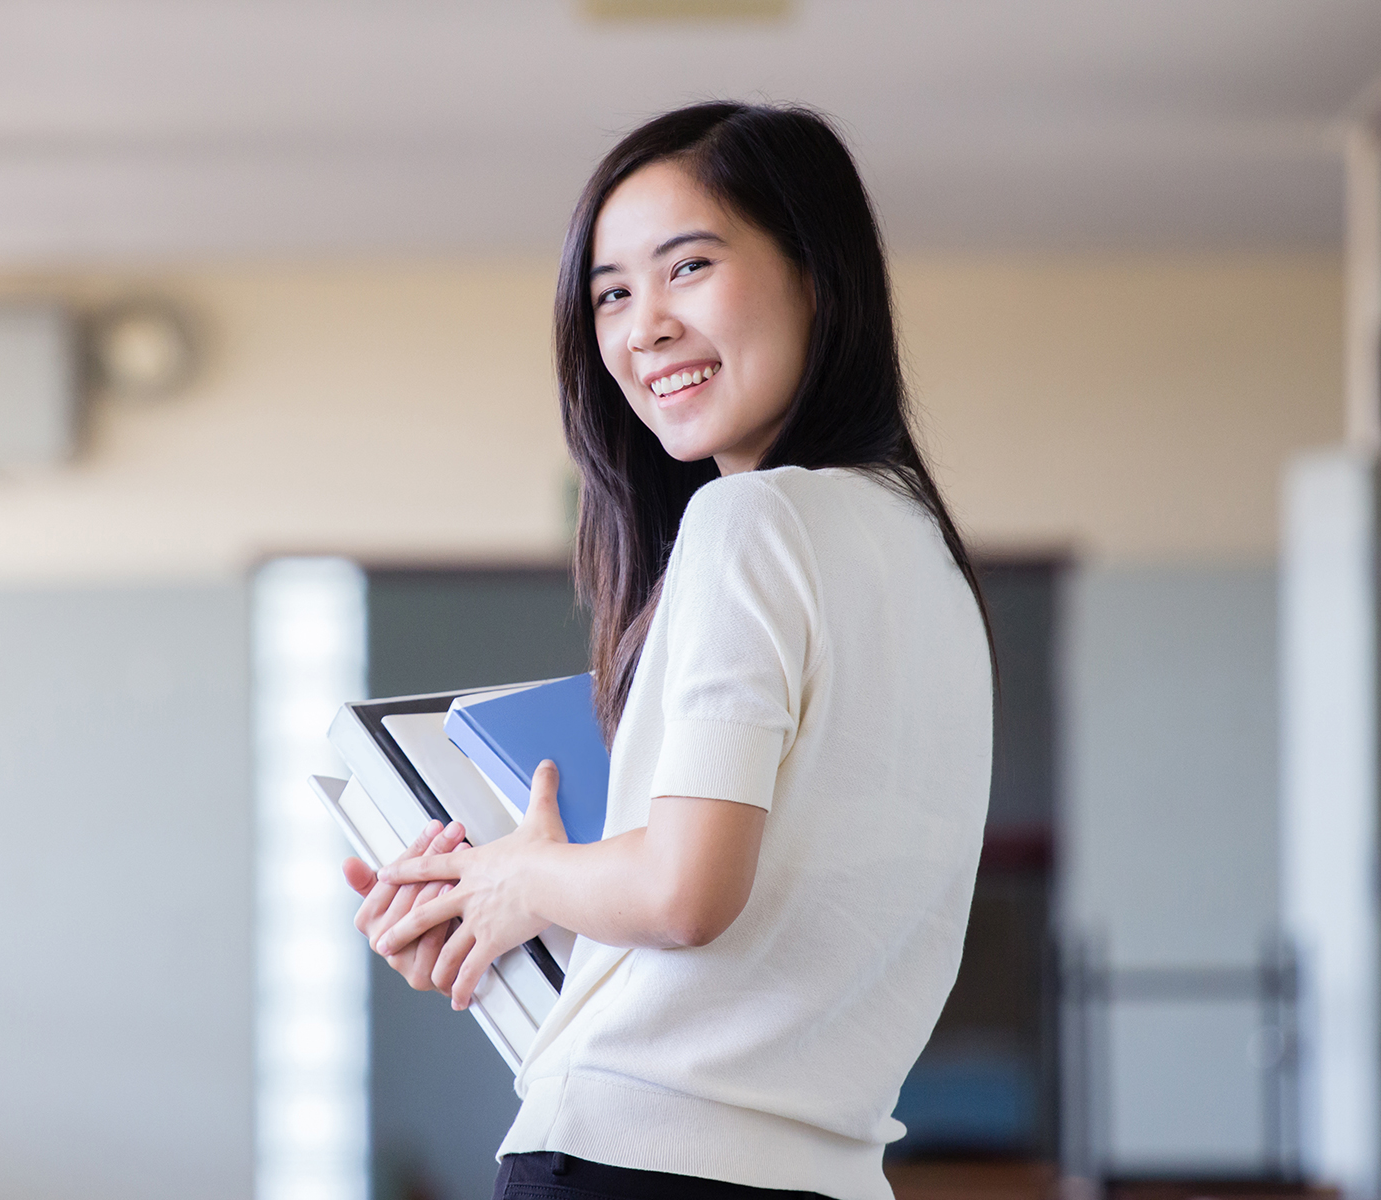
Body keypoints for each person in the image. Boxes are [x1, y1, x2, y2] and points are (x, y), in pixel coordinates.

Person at [341, 102, 994, 1200]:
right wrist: (535, 899)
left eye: (687, 267)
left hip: (632, 1165)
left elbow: (689, 894)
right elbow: (762, 926)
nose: (642, 327)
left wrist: (520, 870)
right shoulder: (926, 558)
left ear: (818, 275)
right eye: (611, 293)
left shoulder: (751, 522)